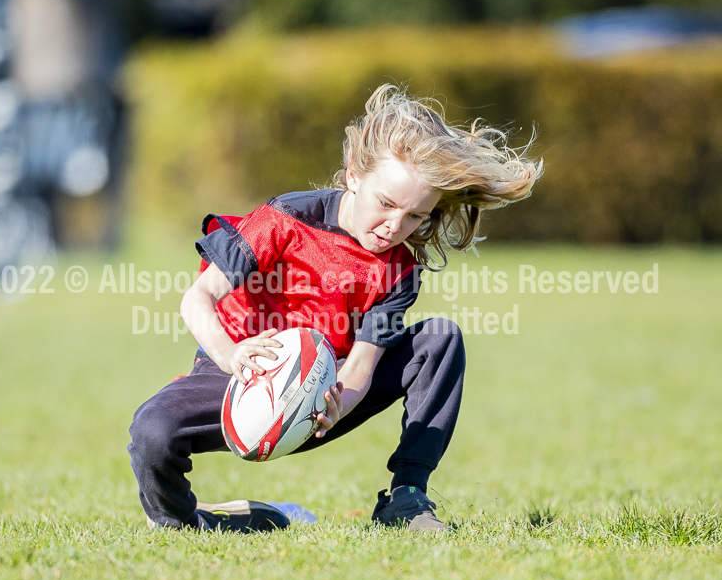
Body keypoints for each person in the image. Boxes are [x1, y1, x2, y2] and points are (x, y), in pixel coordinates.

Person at [128, 84, 542, 532]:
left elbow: (361, 369)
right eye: (385, 204)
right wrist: (231, 355)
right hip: (238, 377)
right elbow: (198, 298)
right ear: (353, 176)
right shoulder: (284, 220)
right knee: (152, 429)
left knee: (439, 339)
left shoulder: (400, 269)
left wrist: (330, 404)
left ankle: (407, 497)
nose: (393, 227)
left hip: (331, 386)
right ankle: (188, 523)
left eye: (415, 217)